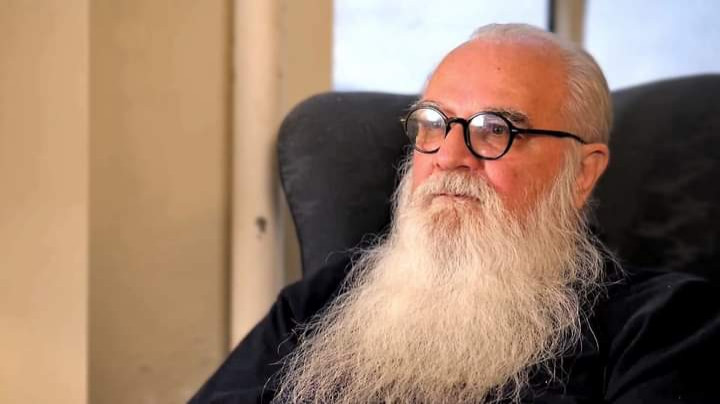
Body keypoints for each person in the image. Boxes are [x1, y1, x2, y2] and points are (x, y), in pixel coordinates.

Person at [191, 24, 718, 403]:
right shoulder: (319, 302)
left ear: (582, 173)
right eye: (433, 123)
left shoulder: (666, 326)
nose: (449, 156)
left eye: (495, 129)